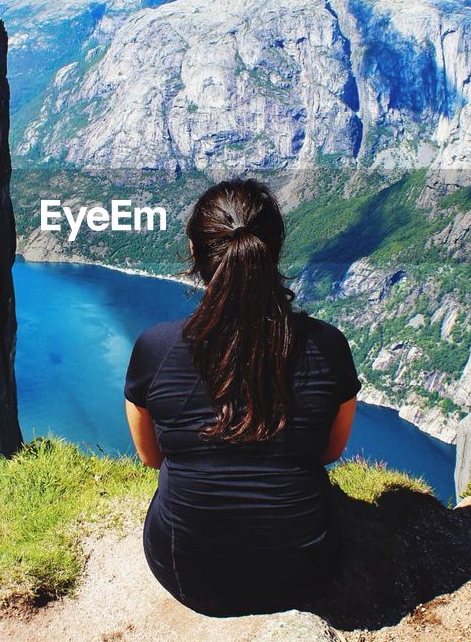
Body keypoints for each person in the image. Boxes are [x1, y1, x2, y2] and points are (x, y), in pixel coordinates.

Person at [123, 178, 360, 617]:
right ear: (273, 251)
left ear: (195, 254)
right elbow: (329, 452)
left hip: (188, 573)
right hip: (304, 572)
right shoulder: (327, 347)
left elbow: (151, 458)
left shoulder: (155, 349)